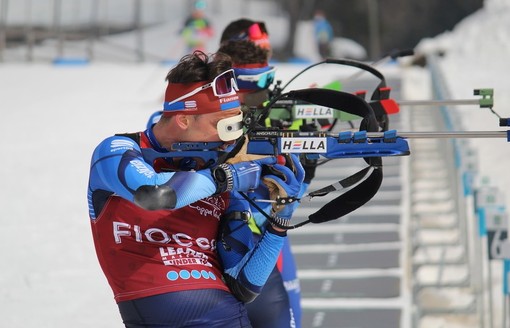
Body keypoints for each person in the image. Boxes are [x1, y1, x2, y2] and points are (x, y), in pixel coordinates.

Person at [87, 50, 304, 327]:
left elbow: (245, 284)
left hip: (223, 313)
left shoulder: (217, 178)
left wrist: (280, 219)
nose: (231, 139)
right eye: (222, 125)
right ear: (183, 120)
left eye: (236, 125)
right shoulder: (118, 150)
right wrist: (228, 176)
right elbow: (155, 194)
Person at [218, 19, 305, 328]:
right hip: (223, 247)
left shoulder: (274, 110)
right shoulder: (203, 120)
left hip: (267, 233)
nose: (261, 91)